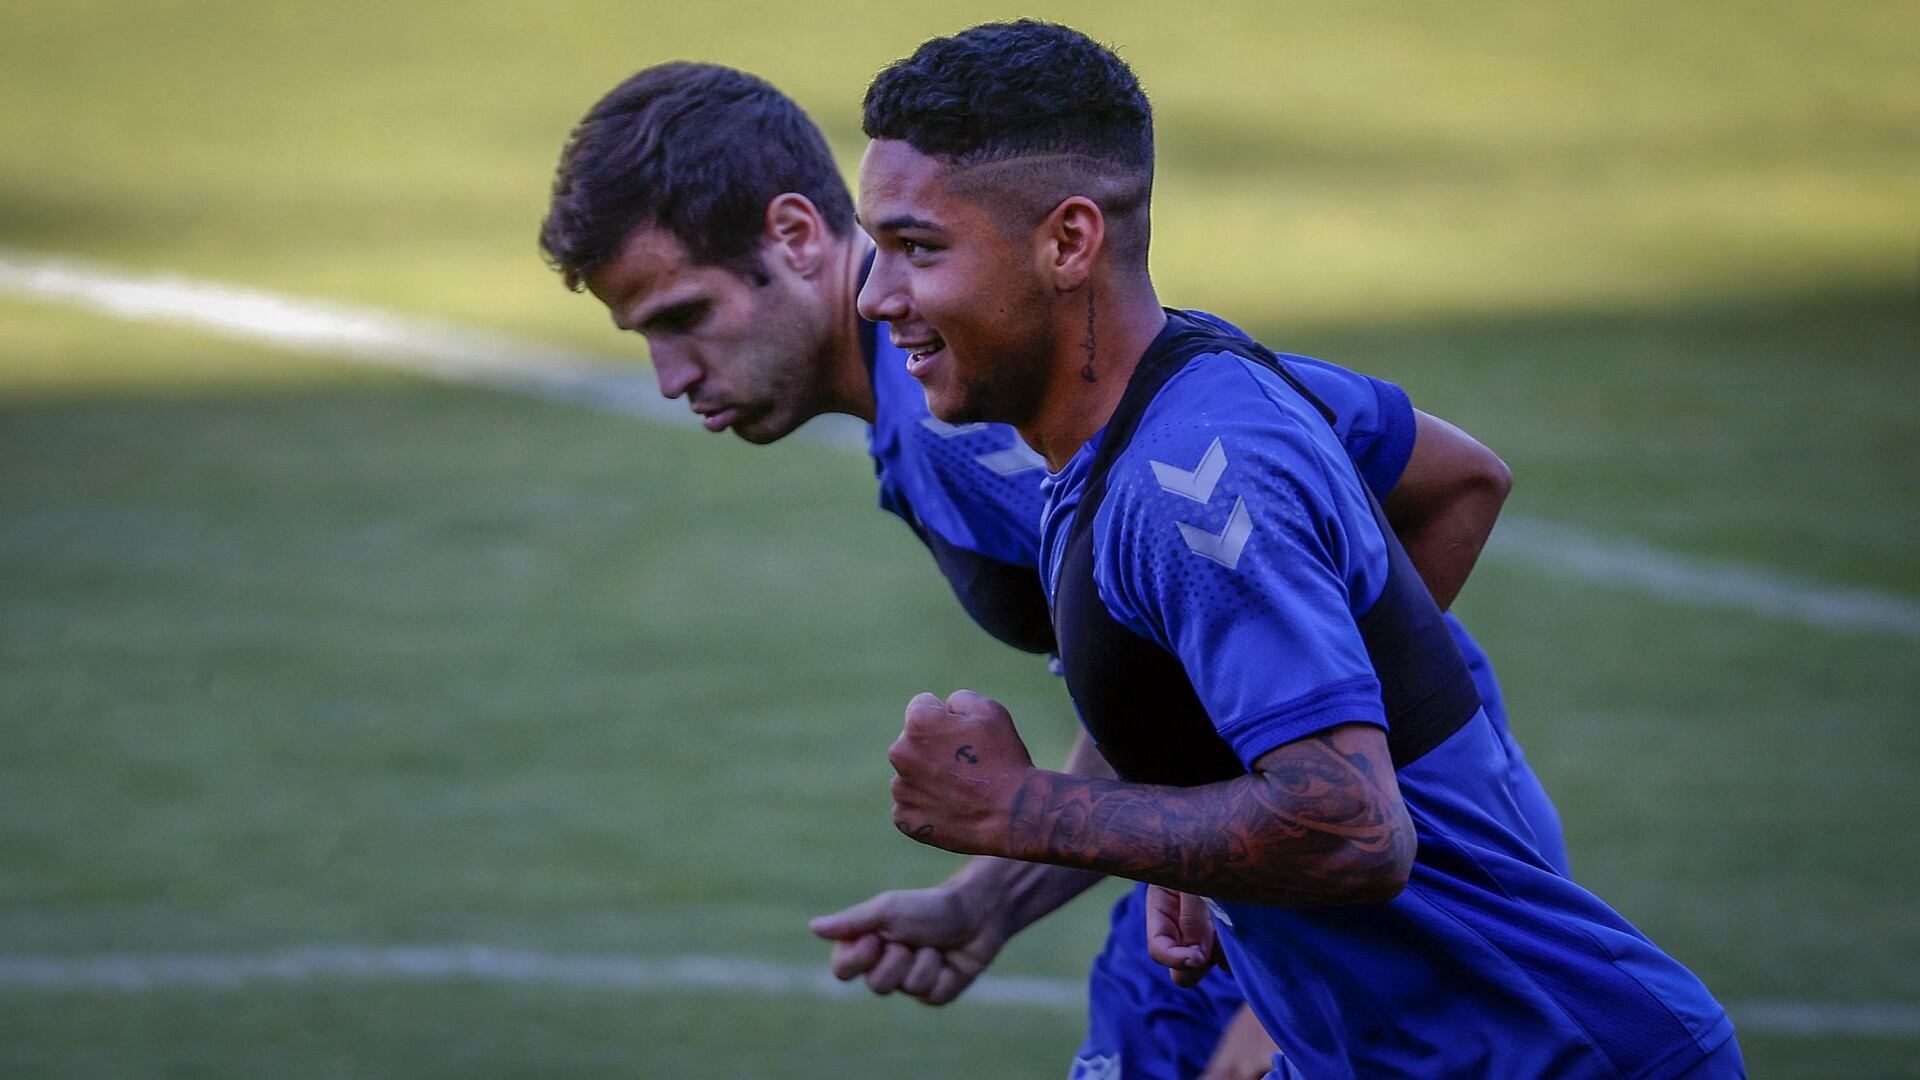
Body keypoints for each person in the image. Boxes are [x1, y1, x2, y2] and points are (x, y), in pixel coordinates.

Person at [540, 61, 1565, 1079]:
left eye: (684, 317)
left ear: (799, 236)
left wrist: (1289, 984)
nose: (669, 378)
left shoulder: (973, 425)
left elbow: (1345, 634)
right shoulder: (1009, 394)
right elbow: (1211, 658)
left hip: (1386, 911)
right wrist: (991, 902)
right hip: (1299, 873)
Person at [855, 20, 1743, 1079]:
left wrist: (1024, 809)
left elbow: (1354, 832)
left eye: (918, 249)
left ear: (1069, 242)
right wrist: (1198, 821)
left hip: (1554, 1057)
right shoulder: (1190, 385)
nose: (875, 297)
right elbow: (1459, 478)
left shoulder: (1187, 483)